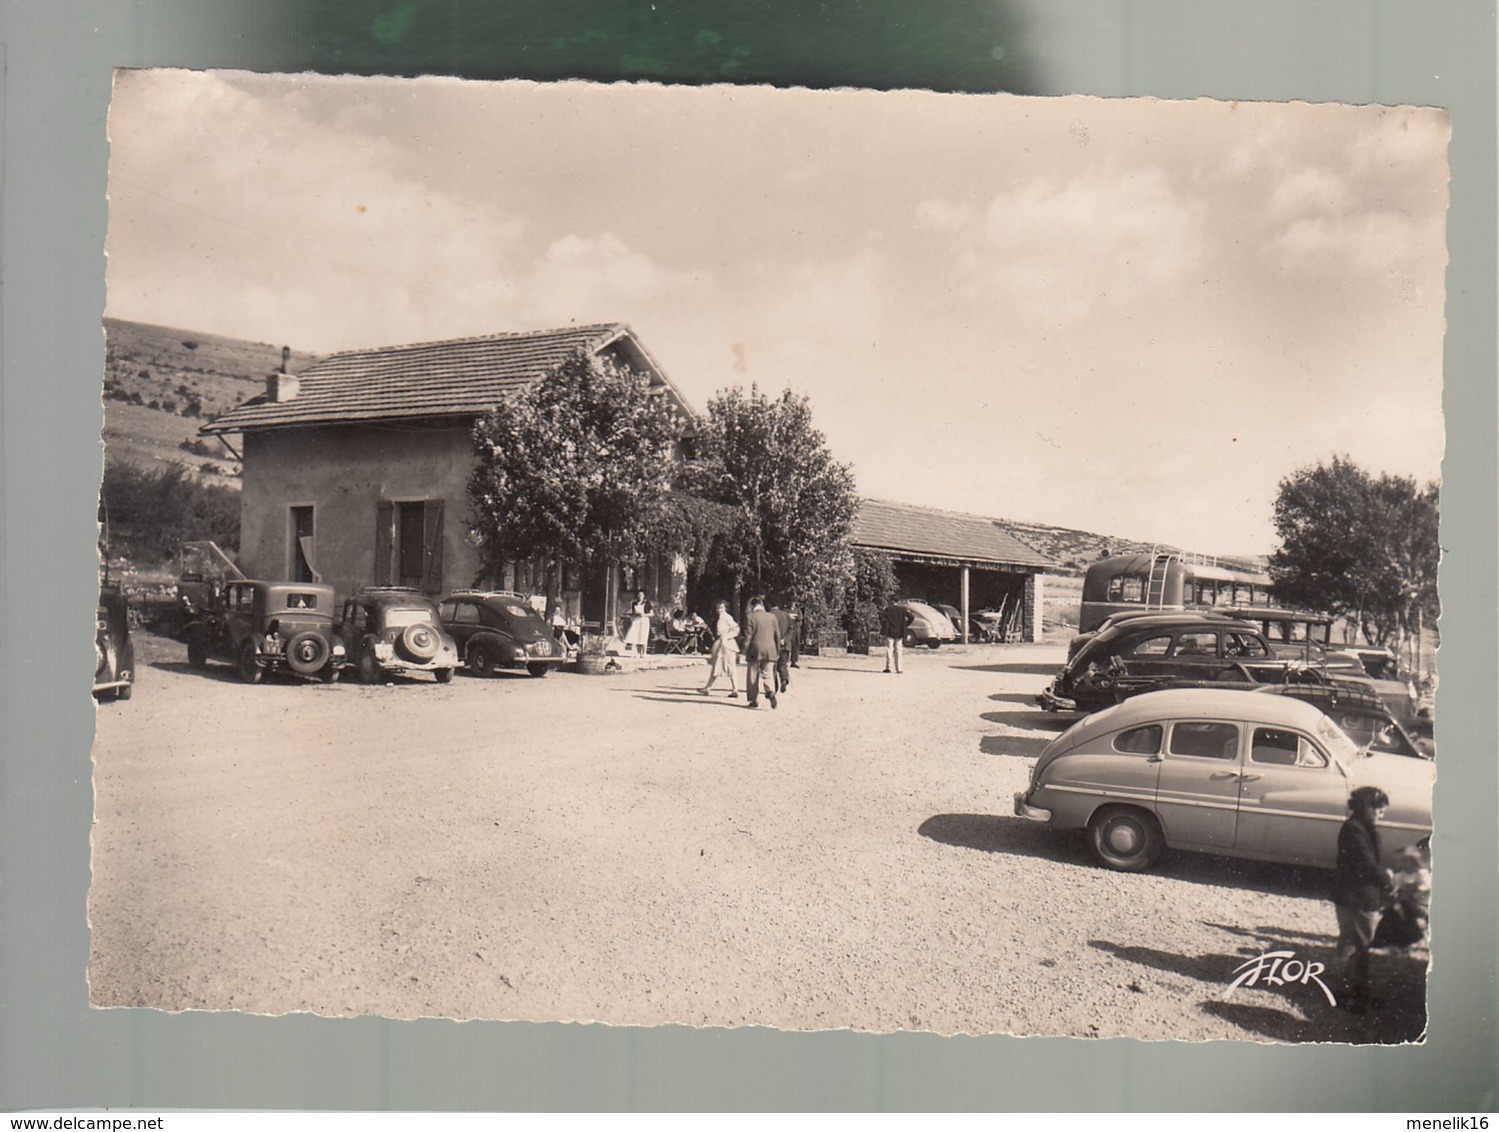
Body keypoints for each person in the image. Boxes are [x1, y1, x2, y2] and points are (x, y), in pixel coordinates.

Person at [1330, 785, 1395, 1014]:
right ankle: (1342, 993)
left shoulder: (1363, 828)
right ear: (1367, 807)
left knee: (1357, 945)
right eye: (1379, 810)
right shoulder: (1354, 830)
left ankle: (1357, 991)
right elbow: (1365, 863)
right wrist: (1386, 880)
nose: (1381, 815)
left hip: (1360, 897)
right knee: (1354, 946)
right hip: (1355, 898)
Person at [741, 595, 781, 709]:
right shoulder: (772, 617)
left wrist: (744, 651)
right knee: (768, 674)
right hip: (770, 649)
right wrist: (777, 650)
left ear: (753, 606)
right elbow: (777, 635)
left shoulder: (750, 617)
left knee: (753, 675)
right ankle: (770, 691)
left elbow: (748, 637)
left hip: (755, 649)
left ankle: (753, 700)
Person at [700, 600, 740, 697]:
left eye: (721, 608)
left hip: (727, 644)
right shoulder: (720, 618)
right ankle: (707, 688)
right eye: (718, 608)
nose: (719, 610)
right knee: (716, 666)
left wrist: (726, 637)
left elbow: (736, 629)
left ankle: (735, 689)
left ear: (725, 608)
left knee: (730, 666)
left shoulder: (727, 617)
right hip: (721, 644)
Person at [878, 601, 916, 674]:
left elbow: (881, 616)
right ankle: (899, 668)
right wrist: (905, 625)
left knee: (889, 649)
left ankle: (889, 668)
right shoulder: (902, 610)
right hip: (900, 632)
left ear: (891, 603)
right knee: (898, 650)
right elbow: (911, 617)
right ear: (897, 603)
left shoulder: (888, 609)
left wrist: (884, 624)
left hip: (890, 631)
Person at [768, 597, 792, 693]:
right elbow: (791, 629)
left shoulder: (769, 615)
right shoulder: (786, 615)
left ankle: (775, 686)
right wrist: (785, 639)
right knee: (783, 664)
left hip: (773, 644)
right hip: (785, 644)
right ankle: (784, 679)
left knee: (772, 666)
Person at [624, 591, 652, 655]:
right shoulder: (634, 603)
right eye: (639, 595)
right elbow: (633, 613)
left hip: (644, 620)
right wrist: (632, 614)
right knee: (637, 636)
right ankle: (638, 653)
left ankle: (644, 653)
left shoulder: (647, 603)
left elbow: (652, 614)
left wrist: (644, 614)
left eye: (642, 595)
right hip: (636, 620)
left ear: (644, 596)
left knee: (643, 636)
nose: (640, 596)